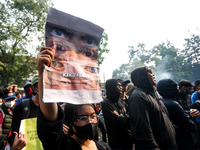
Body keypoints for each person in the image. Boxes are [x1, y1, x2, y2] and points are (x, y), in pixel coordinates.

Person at [36, 47, 111, 150]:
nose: (90, 122)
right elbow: (51, 122)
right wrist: (44, 73)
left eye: (93, 116)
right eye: (83, 118)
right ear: (71, 122)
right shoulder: (65, 146)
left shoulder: (104, 147)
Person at [128, 66, 177, 150]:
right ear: (142, 76)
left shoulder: (152, 95)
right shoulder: (139, 97)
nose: (153, 75)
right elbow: (142, 131)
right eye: (150, 73)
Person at [157, 78, 199, 150]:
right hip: (185, 141)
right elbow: (191, 126)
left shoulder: (162, 102)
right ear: (171, 88)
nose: (178, 89)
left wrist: (189, 112)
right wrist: (192, 117)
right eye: (175, 87)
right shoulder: (173, 104)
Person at [8, 74, 39, 147]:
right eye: (43, 85)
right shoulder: (20, 105)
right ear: (34, 89)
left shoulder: (55, 109)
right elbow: (13, 134)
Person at [102, 78, 133, 150]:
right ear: (112, 87)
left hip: (128, 139)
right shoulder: (107, 104)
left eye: (121, 85)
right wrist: (125, 117)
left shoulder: (121, 102)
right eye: (118, 85)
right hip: (116, 143)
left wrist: (122, 116)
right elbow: (117, 121)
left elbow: (132, 115)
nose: (121, 87)